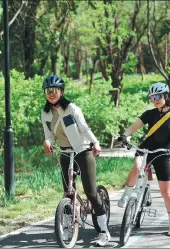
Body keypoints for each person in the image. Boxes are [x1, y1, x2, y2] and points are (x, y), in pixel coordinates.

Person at [41, 75, 111, 246]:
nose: (52, 94)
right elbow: (49, 134)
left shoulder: (72, 108)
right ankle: (67, 226)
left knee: (91, 192)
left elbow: (84, 128)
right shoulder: (45, 113)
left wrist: (95, 142)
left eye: (55, 91)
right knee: (68, 192)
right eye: (48, 91)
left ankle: (104, 232)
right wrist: (48, 142)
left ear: (61, 92)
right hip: (65, 153)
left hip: (83, 151)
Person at [117, 82, 170, 236]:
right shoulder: (149, 114)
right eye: (152, 97)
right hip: (145, 149)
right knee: (137, 166)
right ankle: (127, 195)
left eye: (158, 96)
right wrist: (125, 136)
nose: (155, 99)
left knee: (166, 192)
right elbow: (133, 127)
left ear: (166, 96)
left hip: (162, 153)